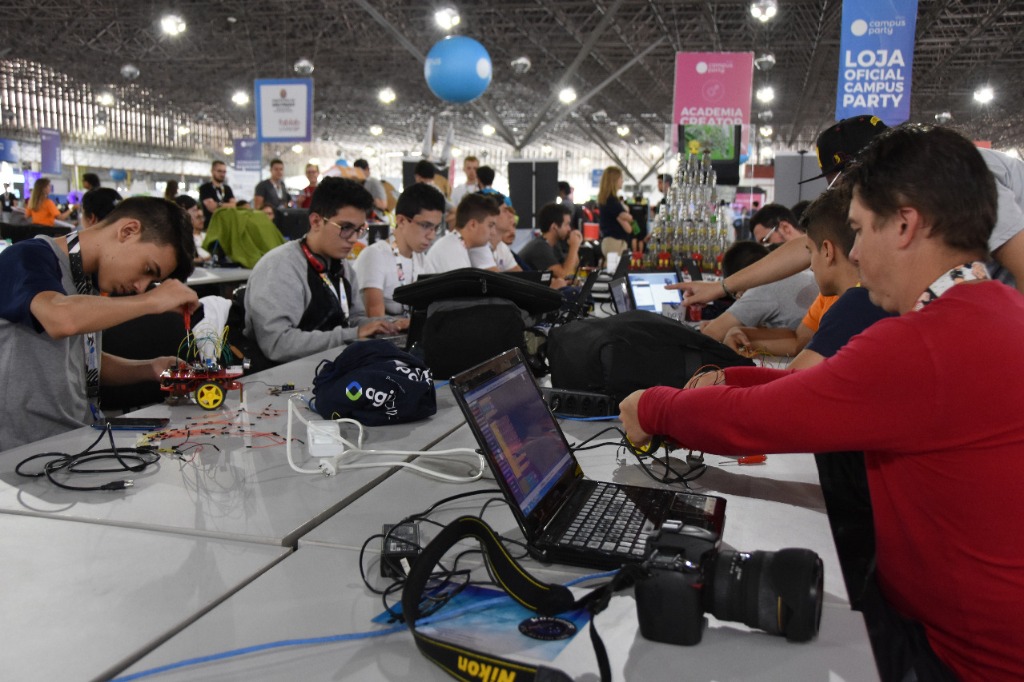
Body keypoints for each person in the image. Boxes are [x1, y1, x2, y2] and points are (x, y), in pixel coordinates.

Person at [620, 124, 1024, 682]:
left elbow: (765, 421)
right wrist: (730, 379)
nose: (852, 252)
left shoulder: (927, 345)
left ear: (904, 224)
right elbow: (824, 391)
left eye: (858, 230)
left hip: (960, 661)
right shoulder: (994, 312)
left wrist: (652, 408)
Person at [0, 196, 199, 450]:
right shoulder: (25, 258)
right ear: (128, 231)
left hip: (78, 439)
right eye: (148, 269)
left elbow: (82, 363)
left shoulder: (87, 282)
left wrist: (150, 368)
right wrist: (151, 300)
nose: (140, 286)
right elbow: (60, 319)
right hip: (24, 451)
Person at [242, 178, 396, 368]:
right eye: (346, 228)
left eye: (359, 230)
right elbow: (278, 344)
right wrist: (353, 334)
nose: (354, 239)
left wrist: (389, 324)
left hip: (330, 366)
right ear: (316, 221)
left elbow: (352, 319)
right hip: (282, 374)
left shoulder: (342, 267)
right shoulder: (280, 267)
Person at [353, 182, 445, 320]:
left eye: (436, 228)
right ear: (401, 221)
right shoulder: (375, 256)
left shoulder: (420, 258)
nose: (431, 235)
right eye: (426, 226)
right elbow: (376, 320)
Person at [698, 239, 818, 343]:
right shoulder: (802, 274)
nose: (739, 299)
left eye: (736, 294)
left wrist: (722, 325)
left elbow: (711, 334)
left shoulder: (762, 288)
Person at [424, 193, 499, 273]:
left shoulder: (456, 243)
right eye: (490, 225)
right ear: (473, 225)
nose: (493, 233)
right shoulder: (452, 250)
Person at [517, 202, 583, 279]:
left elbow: (573, 268)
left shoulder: (555, 245)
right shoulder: (539, 247)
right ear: (554, 227)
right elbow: (565, 275)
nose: (569, 229)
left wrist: (574, 245)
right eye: (567, 224)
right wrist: (574, 246)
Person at [597, 166, 633, 257]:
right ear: (614, 180)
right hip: (614, 242)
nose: (622, 181)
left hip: (613, 242)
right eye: (621, 178)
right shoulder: (611, 200)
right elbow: (627, 218)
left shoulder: (608, 199)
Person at [198, 160, 237, 229]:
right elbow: (211, 207)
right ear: (212, 171)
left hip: (226, 226)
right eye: (219, 171)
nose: (222, 174)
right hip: (210, 227)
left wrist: (218, 205)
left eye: (224, 172)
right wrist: (227, 206)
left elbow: (234, 206)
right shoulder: (205, 188)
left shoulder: (227, 189)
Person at [174, 195, 210, 263]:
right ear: (184, 211)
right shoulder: (177, 236)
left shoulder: (192, 234)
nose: (197, 214)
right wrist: (201, 260)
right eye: (194, 210)